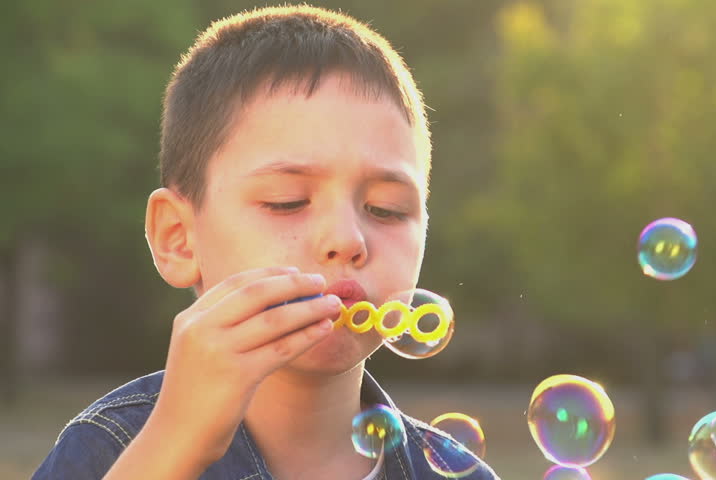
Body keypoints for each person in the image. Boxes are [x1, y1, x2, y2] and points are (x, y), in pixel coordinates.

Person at [33, 5, 499, 479]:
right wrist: (174, 444)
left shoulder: (455, 473)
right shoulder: (109, 449)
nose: (346, 239)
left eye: (386, 209)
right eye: (287, 201)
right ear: (179, 239)